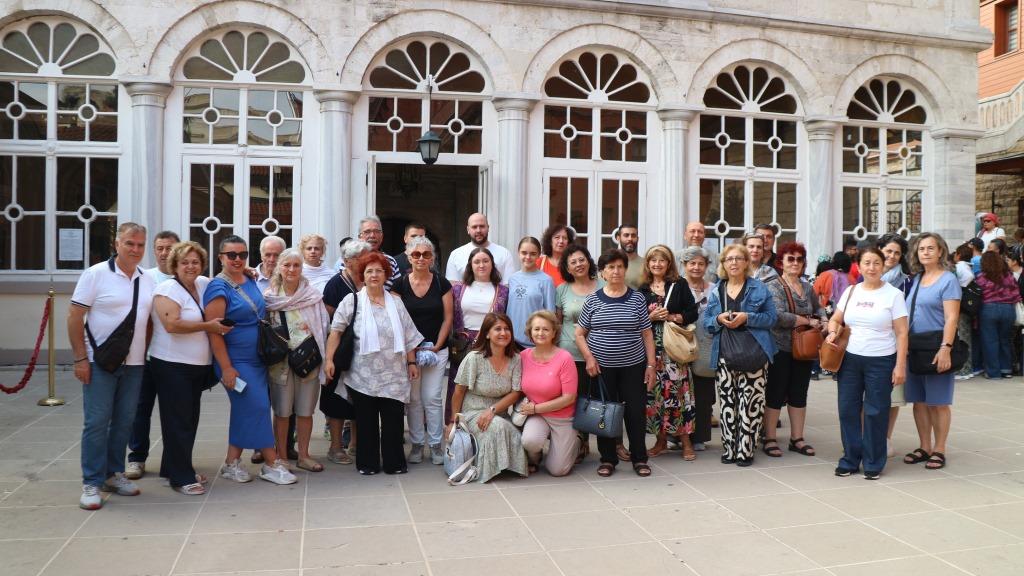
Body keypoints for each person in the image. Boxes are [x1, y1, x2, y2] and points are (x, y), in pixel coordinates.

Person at [68, 222, 156, 510]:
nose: (135, 249)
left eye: (140, 244)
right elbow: (74, 316)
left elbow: (149, 322)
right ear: (117, 244)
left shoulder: (147, 279)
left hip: (134, 364)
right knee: (96, 422)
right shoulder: (95, 274)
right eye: (130, 243)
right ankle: (91, 482)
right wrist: (80, 358)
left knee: (124, 421)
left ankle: (113, 473)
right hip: (99, 362)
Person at [204, 235, 297, 485]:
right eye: (231, 255)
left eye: (242, 255)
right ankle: (271, 463)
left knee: (246, 408)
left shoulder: (249, 279)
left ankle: (231, 462)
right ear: (221, 257)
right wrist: (226, 367)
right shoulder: (217, 287)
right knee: (257, 406)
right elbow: (214, 332)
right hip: (235, 360)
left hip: (256, 359)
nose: (237, 259)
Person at [324, 252, 422, 475]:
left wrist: (411, 362)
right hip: (363, 374)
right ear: (362, 275)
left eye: (379, 271)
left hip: (394, 373)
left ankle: (394, 463)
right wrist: (329, 360)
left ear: (386, 275)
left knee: (393, 421)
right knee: (366, 421)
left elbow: (408, 335)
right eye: (369, 271)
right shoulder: (352, 301)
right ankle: (367, 464)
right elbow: (336, 332)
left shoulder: (396, 302)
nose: (374, 275)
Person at [149, 241, 225, 495]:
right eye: (185, 262)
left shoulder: (202, 284)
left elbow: (225, 280)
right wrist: (208, 327)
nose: (190, 266)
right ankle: (181, 477)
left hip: (196, 366)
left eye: (195, 262)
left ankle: (172, 468)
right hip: (172, 365)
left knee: (188, 419)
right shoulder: (167, 289)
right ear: (175, 265)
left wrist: (249, 272)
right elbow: (172, 325)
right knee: (178, 421)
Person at [575, 249, 656, 477]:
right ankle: (608, 459)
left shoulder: (637, 298)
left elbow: (647, 333)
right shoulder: (592, 300)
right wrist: (589, 358)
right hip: (602, 369)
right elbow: (579, 334)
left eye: (620, 266)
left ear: (625, 270)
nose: (616, 271)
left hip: (633, 366)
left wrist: (651, 365)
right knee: (605, 413)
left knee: (635, 413)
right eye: (610, 267)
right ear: (602, 272)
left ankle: (639, 458)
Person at [829, 247, 908, 479]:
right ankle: (850, 459)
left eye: (876, 263)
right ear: (859, 266)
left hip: (881, 360)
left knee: (876, 411)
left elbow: (902, 332)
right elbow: (835, 319)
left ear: (883, 266)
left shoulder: (893, 295)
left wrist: (900, 365)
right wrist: (832, 332)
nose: (871, 268)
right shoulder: (851, 291)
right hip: (850, 359)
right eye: (867, 263)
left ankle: (873, 462)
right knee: (847, 409)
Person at [704, 244, 777, 467]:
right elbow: (707, 322)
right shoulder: (717, 290)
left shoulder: (759, 288)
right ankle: (730, 448)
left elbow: (771, 318)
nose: (734, 262)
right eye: (729, 259)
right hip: (725, 352)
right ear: (723, 264)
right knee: (728, 403)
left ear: (746, 262)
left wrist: (747, 317)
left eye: (738, 258)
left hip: (755, 351)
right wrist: (718, 319)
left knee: (751, 403)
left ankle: (745, 450)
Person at [264, 248, 331, 473]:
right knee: (282, 412)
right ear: (279, 268)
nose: (291, 269)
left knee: (305, 411)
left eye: (296, 265)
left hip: (308, 362)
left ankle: (304, 455)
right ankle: (281, 456)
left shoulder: (312, 295)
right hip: (280, 364)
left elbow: (323, 326)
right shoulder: (269, 297)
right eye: (287, 265)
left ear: (302, 269)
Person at [902, 233, 961, 472]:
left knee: (938, 402)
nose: (925, 252)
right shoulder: (917, 279)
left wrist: (946, 348)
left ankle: (939, 449)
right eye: (921, 249)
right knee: (919, 401)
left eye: (930, 248)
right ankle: (924, 446)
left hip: (937, 347)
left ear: (940, 252)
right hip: (915, 348)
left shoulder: (948, 280)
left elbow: (952, 318)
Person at [391, 236, 453, 465]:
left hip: (437, 348)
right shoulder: (399, 285)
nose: (421, 258)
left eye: (426, 254)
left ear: (432, 258)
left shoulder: (441, 283)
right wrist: (411, 351)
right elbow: (398, 322)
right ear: (408, 257)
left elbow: (448, 318)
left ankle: (436, 444)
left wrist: (437, 344)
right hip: (411, 351)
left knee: (432, 397)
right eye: (416, 254)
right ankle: (417, 444)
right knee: (414, 399)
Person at [449, 313, 529, 482]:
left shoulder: (516, 359)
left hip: (498, 412)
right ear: (486, 334)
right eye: (497, 329)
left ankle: (506, 466)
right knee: (498, 427)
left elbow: (516, 392)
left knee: (510, 430)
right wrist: (454, 422)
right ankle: (490, 469)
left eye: (507, 329)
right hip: (473, 413)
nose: (503, 333)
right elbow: (458, 392)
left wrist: (492, 410)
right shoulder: (474, 358)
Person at [763, 242, 825, 459]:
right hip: (780, 348)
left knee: (799, 392)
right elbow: (778, 315)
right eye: (790, 259)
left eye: (799, 259)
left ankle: (797, 439)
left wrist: (824, 320)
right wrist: (807, 321)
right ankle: (770, 438)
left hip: (804, 349)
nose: (795, 263)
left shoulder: (807, 287)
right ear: (781, 262)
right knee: (775, 392)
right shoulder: (774, 285)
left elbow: (818, 307)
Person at [126, 230, 179, 480]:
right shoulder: (144, 277)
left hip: (174, 358)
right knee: (140, 410)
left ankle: (174, 460)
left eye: (170, 248)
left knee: (174, 414)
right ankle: (136, 458)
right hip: (144, 356)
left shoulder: (189, 277)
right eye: (160, 248)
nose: (165, 253)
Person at [638, 245, 699, 460]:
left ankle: (686, 442)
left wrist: (673, 317)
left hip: (674, 349)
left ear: (669, 263)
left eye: (662, 260)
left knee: (678, 395)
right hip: (651, 350)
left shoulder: (679, 284)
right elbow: (635, 319)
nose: (657, 264)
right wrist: (651, 317)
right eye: (653, 260)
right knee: (655, 397)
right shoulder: (642, 289)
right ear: (647, 264)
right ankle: (661, 441)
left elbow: (693, 313)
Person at [320, 240, 373, 465]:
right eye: (362, 258)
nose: (367, 261)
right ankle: (335, 447)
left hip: (365, 351)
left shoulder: (370, 280)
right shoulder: (335, 284)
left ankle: (355, 444)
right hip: (341, 349)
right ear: (348, 261)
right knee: (336, 398)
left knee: (360, 397)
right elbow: (329, 320)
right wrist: (330, 357)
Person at [555, 243, 604, 463]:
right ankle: (581, 443)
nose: (578, 264)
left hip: (603, 352)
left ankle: (612, 444)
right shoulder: (562, 290)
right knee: (579, 400)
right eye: (573, 262)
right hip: (571, 354)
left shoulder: (603, 285)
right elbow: (557, 323)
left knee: (604, 399)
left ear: (588, 261)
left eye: (581, 259)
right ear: (567, 268)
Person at [448, 247, 509, 422]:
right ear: (470, 265)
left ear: (492, 264)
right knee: (459, 387)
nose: (481, 265)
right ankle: (454, 425)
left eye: (485, 261)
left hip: (492, 343)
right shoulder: (458, 289)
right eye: (477, 261)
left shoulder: (503, 291)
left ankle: (485, 423)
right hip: (463, 344)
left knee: (486, 387)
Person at [519, 311, 579, 476]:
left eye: (546, 329)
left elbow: (569, 398)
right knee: (530, 441)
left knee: (558, 470)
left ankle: (576, 442)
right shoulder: (523, 356)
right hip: (538, 416)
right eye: (536, 329)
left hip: (562, 417)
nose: (541, 333)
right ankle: (535, 457)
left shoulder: (565, 358)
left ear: (554, 333)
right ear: (530, 332)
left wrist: (535, 408)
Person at [877, 234, 911, 456]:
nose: (892, 256)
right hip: (868, 345)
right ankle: (867, 436)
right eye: (888, 251)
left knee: (893, 397)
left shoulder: (906, 281)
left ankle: (886, 438)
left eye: (897, 253)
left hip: (894, 344)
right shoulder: (865, 277)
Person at [680, 246, 715, 451]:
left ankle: (699, 436)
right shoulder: (677, 286)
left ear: (706, 266)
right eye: (692, 263)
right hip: (681, 345)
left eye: (700, 263)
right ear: (684, 265)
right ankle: (678, 435)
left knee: (703, 394)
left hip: (706, 345)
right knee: (681, 393)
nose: (696, 267)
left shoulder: (714, 288)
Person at [976, 251, 1021, 379]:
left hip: (988, 309)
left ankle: (993, 372)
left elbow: (977, 294)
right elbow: (1016, 295)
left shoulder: (981, 277)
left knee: (990, 341)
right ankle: (1006, 370)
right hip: (1008, 309)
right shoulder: (1009, 276)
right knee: (1005, 340)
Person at [507, 236, 556, 348]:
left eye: (533, 254)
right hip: (511, 341)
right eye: (524, 253)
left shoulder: (546, 280)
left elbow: (550, 315)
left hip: (534, 342)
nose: (528, 257)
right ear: (518, 253)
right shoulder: (512, 279)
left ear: (539, 255)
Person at [446, 213, 517, 283]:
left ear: (488, 228)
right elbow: (452, 285)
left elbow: (508, 284)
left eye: (482, 226)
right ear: (468, 229)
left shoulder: (504, 253)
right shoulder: (456, 254)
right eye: (474, 227)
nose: (478, 230)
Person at [952, 243, 978, 382]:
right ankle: (967, 368)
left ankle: (963, 370)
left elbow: (966, 278)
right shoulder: (968, 266)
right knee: (965, 337)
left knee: (961, 338)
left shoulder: (960, 267)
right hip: (966, 307)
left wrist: (959, 287)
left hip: (960, 307)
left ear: (959, 255)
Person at [355, 216, 401, 289]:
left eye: (376, 231)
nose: (372, 235)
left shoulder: (391, 261)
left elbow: (397, 291)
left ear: (381, 236)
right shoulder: (350, 261)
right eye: (367, 232)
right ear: (360, 237)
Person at [614, 224, 644, 288]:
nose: (630, 239)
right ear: (618, 238)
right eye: (626, 235)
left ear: (638, 239)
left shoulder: (646, 264)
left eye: (633, 236)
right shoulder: (609, 262)